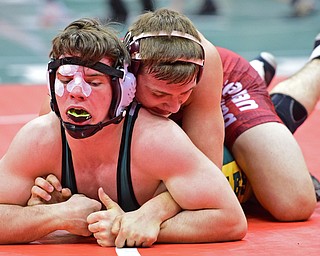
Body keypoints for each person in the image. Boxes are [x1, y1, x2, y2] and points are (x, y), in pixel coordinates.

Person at [37, 9, 318, 221]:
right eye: (159, 95)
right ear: (129, 78)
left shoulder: (205, 65)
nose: (172, 108)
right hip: (190, 91)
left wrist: (152, 213)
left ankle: (312, 66)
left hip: (224, 89)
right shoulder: (102, 68)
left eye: (181, 97)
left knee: (292, 203)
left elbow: (207, 175)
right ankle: (260, 141)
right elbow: (52, 133)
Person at [0, 17, 247, 246]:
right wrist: (54, 215)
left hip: (222, 84)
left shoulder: (157, 137)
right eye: (65, 81)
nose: (77, 92)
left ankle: (282, 101)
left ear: (125, 89)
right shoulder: (42, 135)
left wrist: (139, 223)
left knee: (284, 197)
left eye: (94, 82)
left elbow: (231, 219)